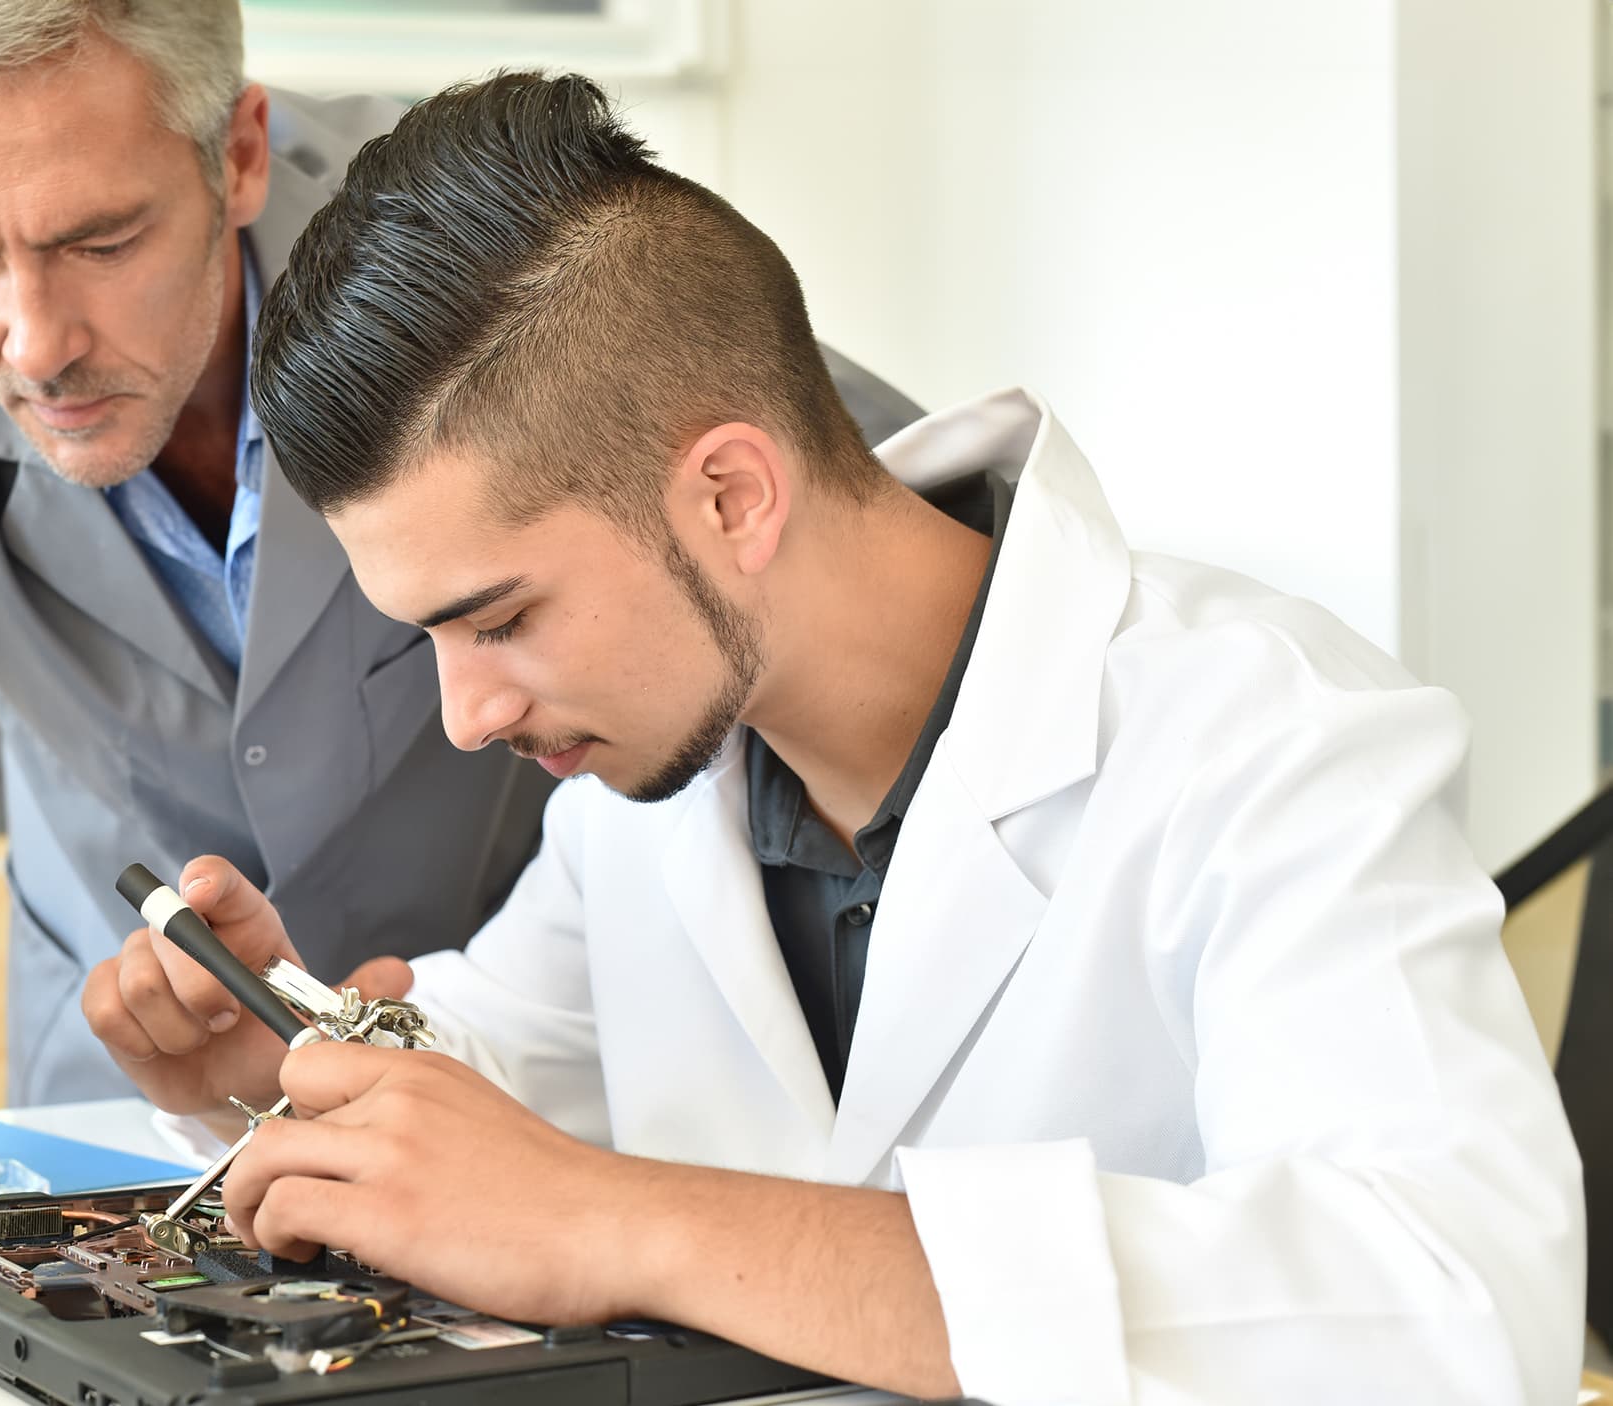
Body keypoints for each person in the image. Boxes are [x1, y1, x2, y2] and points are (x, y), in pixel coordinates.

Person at [81, 72, 1584, 1402]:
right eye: (432, 642)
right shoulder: (646, 787)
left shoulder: (1274, 738)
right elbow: (512, 1060)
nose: (469, 715)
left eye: (500, 617)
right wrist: (284, 1041)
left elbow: (1455, 1305)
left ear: (731, 496)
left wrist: (624, 1219)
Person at [0, 0, 930, 1233]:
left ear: (236, 153)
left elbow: (858, 503)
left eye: (101, 238)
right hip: (125, 1110)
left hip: (501, 1082)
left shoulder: (442, 254)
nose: (30, 340)